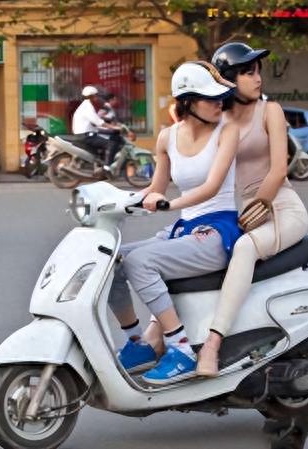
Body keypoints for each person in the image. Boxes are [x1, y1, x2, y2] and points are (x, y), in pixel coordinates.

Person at [108, 61, 241, 385]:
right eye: (210, 98)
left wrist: (170, 204)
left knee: (141, 261)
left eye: (220, 97)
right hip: (183, 230)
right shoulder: (167, 137)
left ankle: (180, 349)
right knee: (110, 260)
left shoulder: (228, 131)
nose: (218, 103)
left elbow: (210, 186)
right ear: (188, 101)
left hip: (216, 232)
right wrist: (115, 201)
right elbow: (156, 188)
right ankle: (137, 343)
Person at [189, 42, 308, 377]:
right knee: (187, 246)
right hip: (240, 214)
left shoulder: (270, 111)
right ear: (228, 79)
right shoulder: (219, 120)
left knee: (243, 248)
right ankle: (167, 337)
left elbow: (278, 171)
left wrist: (263, 203)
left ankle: (212, 345)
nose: (257, 78)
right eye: (247, 72)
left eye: (257, 71)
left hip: (281, 209)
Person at [71, 86, 122, 174]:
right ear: (91, 97)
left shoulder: (85, 106)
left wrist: (107, 127)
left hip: (86, 134)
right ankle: (106, 168)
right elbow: (98, 122)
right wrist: (114, 127)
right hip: (86, 136)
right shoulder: (88, 107)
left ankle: (99, 165)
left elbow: (95, 123)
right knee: (111, 143)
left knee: (103, 142)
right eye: (95, 96)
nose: (97, 98)